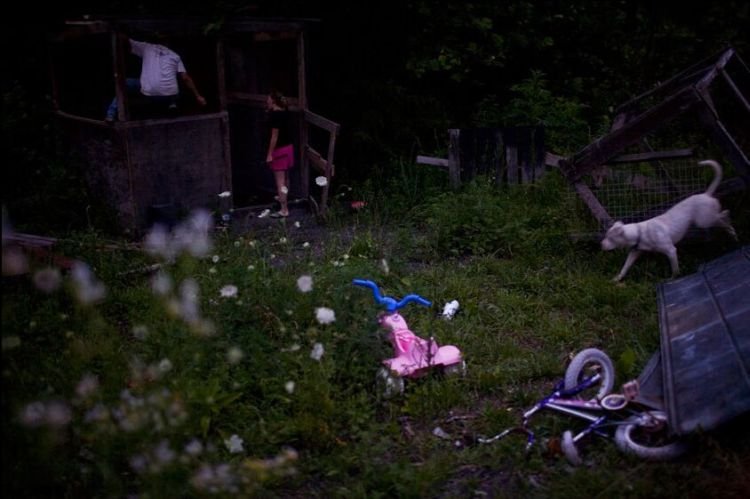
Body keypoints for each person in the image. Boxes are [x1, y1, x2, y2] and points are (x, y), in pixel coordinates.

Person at [105, 34, 206, 121]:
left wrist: (117, 31)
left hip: (150, 91)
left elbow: (126, 39)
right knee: (176, 81)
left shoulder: (147, 48)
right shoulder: (175, 56)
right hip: (168, 95)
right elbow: (186, 78)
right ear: (167, 44)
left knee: (125, 83)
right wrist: (198, 96)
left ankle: (110, 114)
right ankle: (172, 104)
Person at [265, 90, 294, 218]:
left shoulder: (275, 116)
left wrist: (270, 154)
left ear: (273, 101)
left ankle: (284, 209)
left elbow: (274, 137)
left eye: (268, 100)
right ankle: (283, 199)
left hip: (280, 150)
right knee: (286, 178)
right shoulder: (285, 113)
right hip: (289, 148)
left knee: (280, 181)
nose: (267, 102)